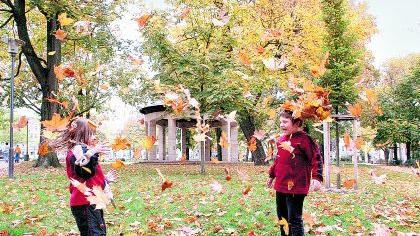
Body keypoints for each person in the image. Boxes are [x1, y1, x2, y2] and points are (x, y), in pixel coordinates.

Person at [50, 117, 116, 236]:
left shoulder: (83, 151)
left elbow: (90, 176)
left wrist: (105, 180)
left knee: (98, 232)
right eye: (90, 134)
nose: (94, 137)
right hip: (85, 202)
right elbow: (84, 172)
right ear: (82, 133)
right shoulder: (79, 151)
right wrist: (92, 153)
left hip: (92, 201)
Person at [267, 111, 323, 236]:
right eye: (281, 122)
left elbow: (316, 157)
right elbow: (278, 159)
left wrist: (317, 177)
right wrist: (272, 175)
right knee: (283, 218)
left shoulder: (304, 139)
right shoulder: (282, 140)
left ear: (297, 123)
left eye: (285, 122)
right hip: (281, 185)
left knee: (294, 219)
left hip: (296, 187)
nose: (282, 125)